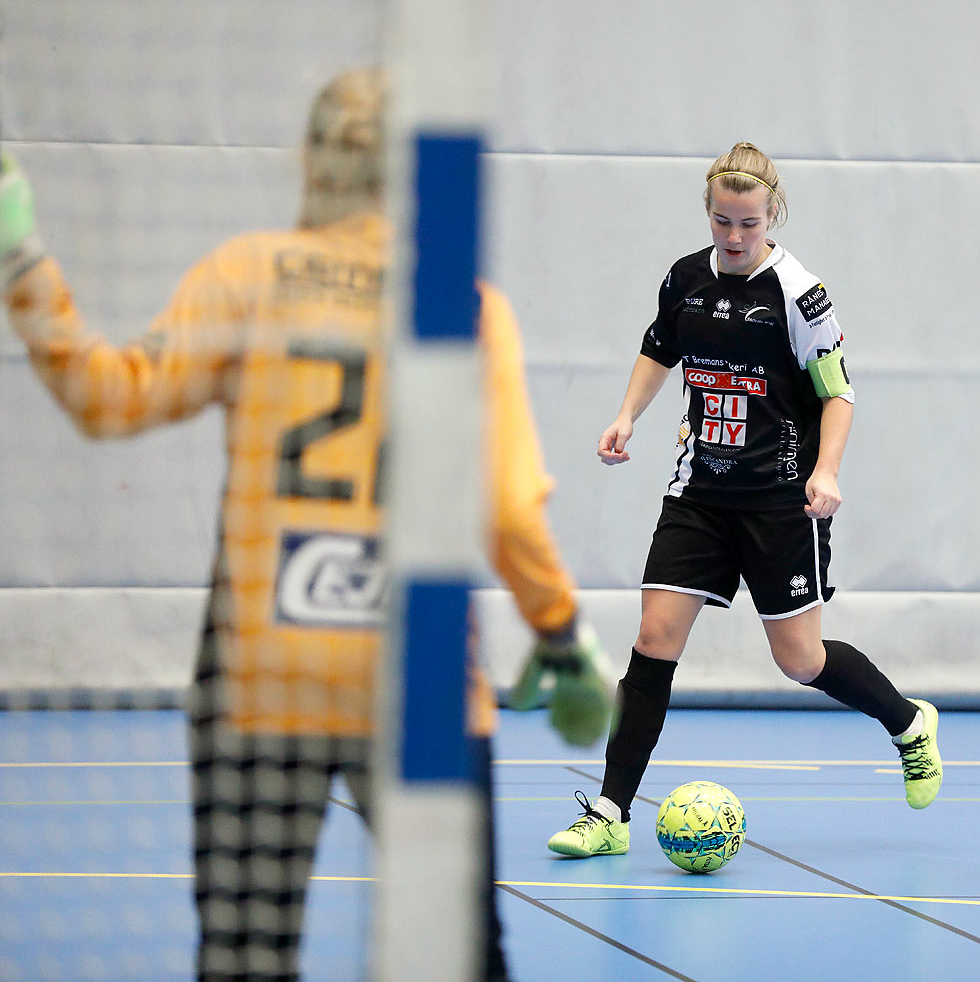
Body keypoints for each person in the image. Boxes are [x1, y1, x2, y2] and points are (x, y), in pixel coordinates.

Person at [0, 68, 609, 981]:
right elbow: (510, 508)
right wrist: (562, 638)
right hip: (417, 675)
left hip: (261, 671)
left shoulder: (250, 274)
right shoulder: (468, 309)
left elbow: (108, 398)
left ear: (310, 161)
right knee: (460, 959)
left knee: (246, 958)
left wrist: (21, 262)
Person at [545, 142, 941, 859]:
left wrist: (827, 472)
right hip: (699, 491)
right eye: (723, 221)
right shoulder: (685, 279)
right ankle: (609, 812)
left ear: (771, 216)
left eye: (748, 223)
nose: (733, 236)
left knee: (800, 660)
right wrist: (627, 414)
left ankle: (908, 723)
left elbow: (839, 393)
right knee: (652, 640)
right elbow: (659, 346)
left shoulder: (799, 294)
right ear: (709, 212)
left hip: (779, 501)